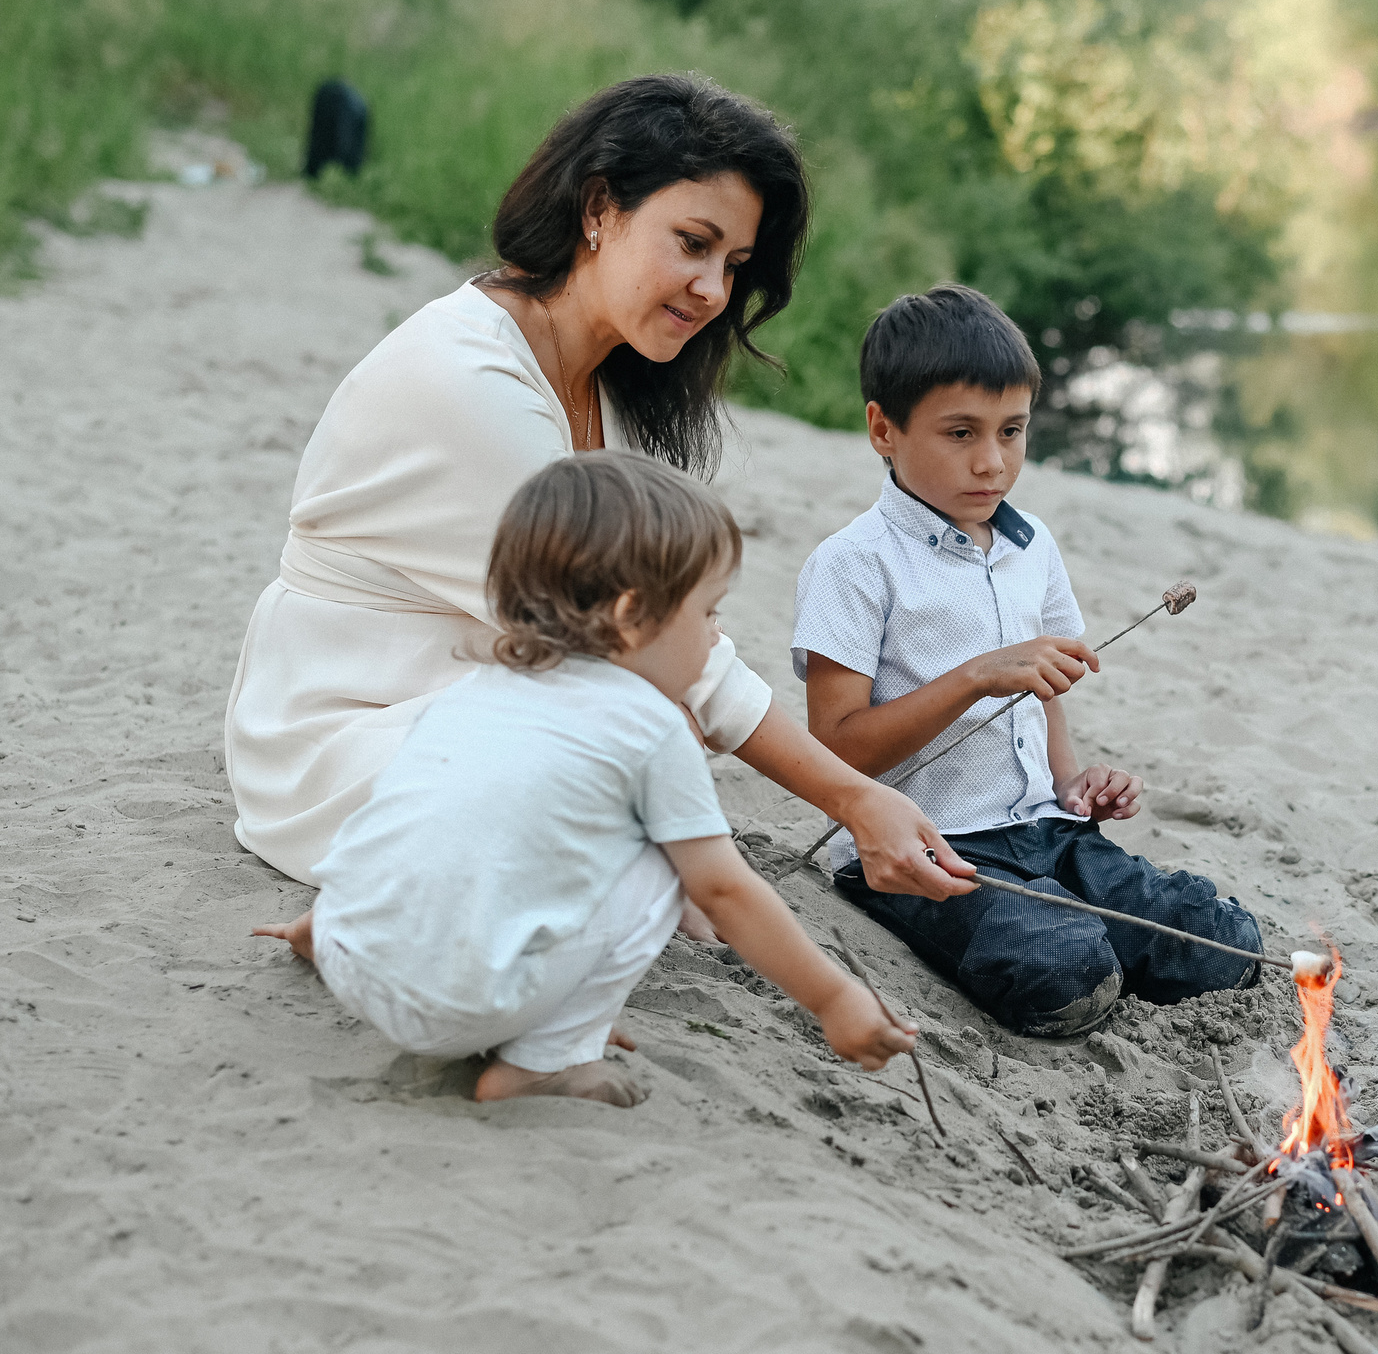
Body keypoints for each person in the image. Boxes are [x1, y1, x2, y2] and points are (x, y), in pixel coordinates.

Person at [224, 73, 972, 906]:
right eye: (692, 243)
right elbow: (651, 637)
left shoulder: (606, 379)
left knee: (648, 731)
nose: (714, 291)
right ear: (599, 209)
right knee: (639, 733)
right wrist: (855, 798)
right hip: (348, 737)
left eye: (733, 265)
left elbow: (661, 633)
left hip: (475, 697)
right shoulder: (472, 381)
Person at [254, 452, 915, 1107]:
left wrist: (328, 926)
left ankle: (322, 931)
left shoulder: (480, 689)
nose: (717, 637)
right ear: (629, 616)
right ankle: (545, 1061)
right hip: (459, 1010)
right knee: (665, 862)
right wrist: (834, 999)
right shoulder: (652, 727)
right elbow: (723, 891)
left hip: (353, 960)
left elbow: (404, 823)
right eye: (709, 612)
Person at [789, 284, 1260, 1037]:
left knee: (1222, 940)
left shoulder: (1030, 544)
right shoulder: (853, 564)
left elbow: (1044, 691)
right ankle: (1074, 940)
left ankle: (1087, 926)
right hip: (924, 848)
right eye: (960, 433)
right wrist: (975, 675)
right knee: (1062, 967)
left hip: (1045, 831)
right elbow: (837, 751)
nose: (992, 462)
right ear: (883, 429)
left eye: (1012, 431)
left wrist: (1070, 784)